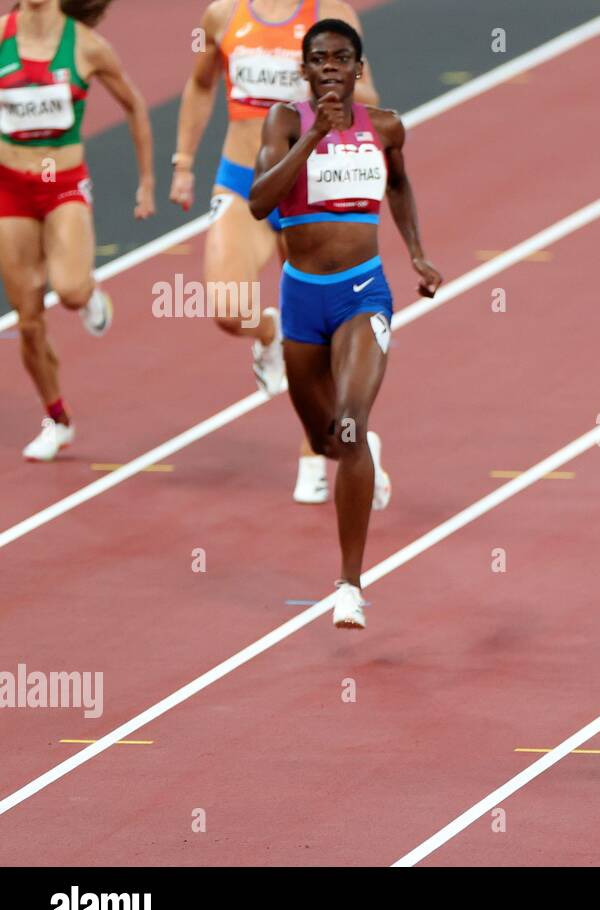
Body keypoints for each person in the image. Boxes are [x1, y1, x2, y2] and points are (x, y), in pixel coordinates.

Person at [249, 19, 441, 628]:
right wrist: (314, 139)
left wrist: (414, 251)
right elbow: (259, 202)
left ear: (358, 69)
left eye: (341, 58)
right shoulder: (284, 123)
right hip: (302, 299)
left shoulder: (384, 126)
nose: (330, 67)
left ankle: (349, 585)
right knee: (328, 440)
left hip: (363, 294)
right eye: (318, 59)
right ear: (304, 71)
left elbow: (401, 185)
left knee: (351, 425)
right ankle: (365, 456)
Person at [170, 0, 378, 501]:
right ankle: (270, 331)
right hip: (244, 181)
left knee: (324, 337)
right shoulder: (223, 16)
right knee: (225, 308)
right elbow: (201, 84)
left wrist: (325, 88)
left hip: (312, 189)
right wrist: (182, 162)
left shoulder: (333, 15)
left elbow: (368, 96)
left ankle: (318, 449)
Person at [1, 0, 153, 460]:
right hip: (11, 188)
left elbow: (134, 105)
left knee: (67, 290)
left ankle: (88, 294)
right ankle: (58, 418)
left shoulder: (88, 47)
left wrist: (147, 182)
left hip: (63, 185)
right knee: (28, 321)